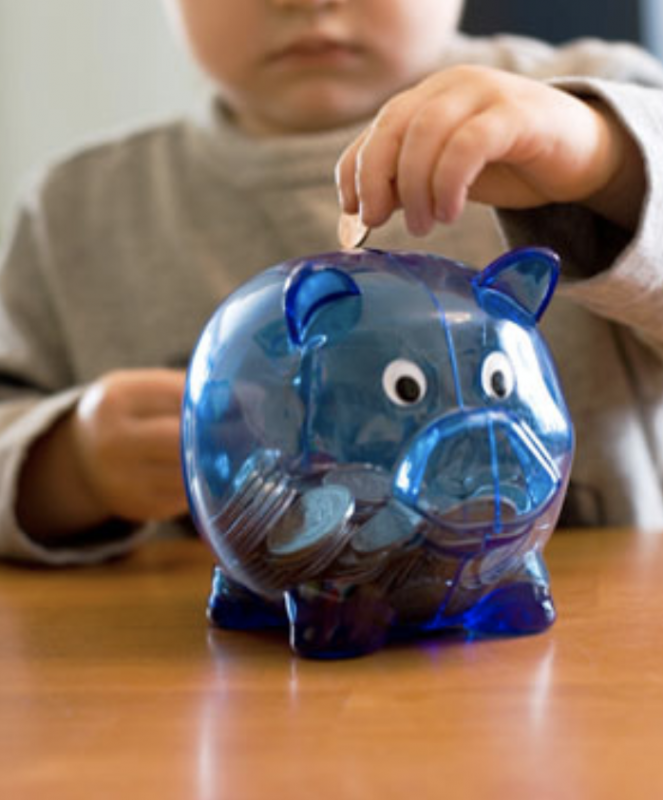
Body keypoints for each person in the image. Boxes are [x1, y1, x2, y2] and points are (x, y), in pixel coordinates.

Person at [1, 0, 663, 566]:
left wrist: (604, 165)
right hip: (223, 680)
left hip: (573, 671)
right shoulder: (75, 209)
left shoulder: (589, 105)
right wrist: (66, 469)